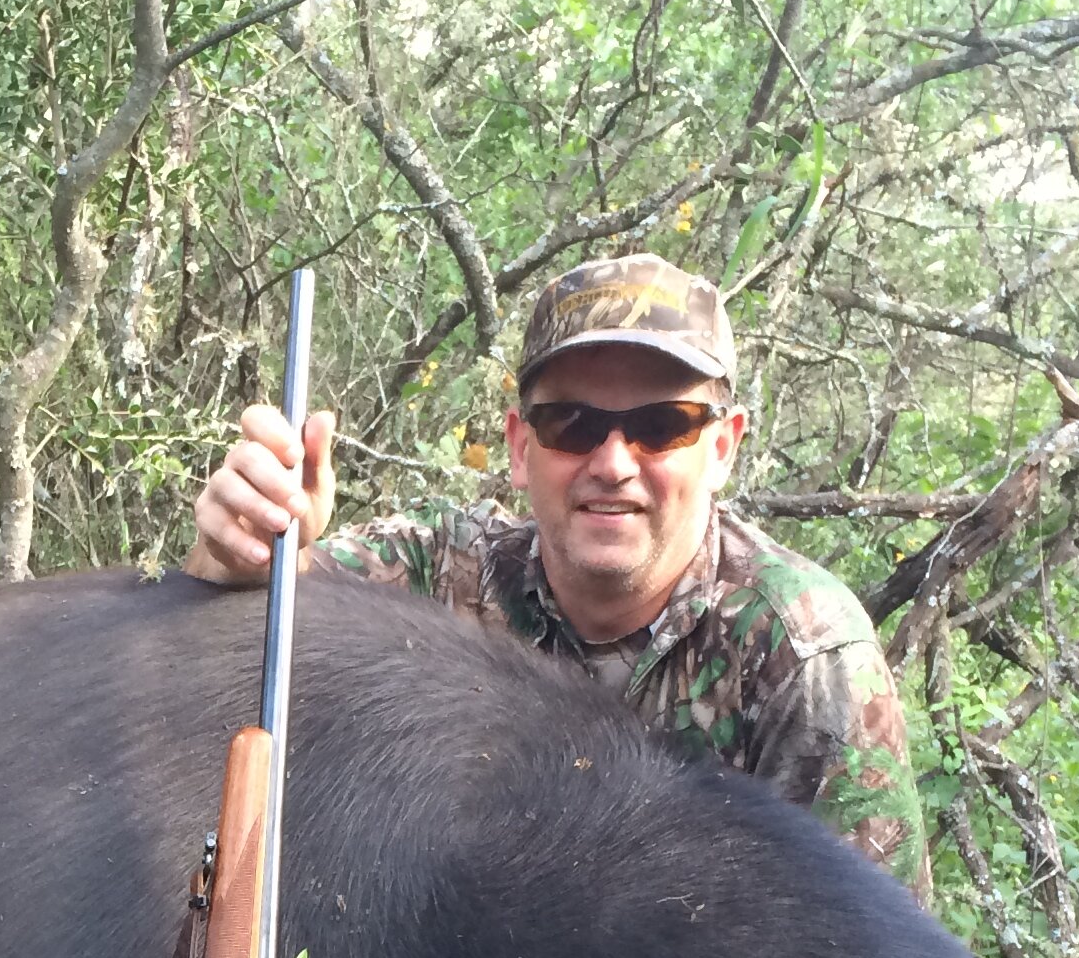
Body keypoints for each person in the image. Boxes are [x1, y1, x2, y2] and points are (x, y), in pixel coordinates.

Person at [183, 254, 933, 896]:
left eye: (661, 425)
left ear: (722, 447)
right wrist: (240, 554)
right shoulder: (435, 574)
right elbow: (255, 615)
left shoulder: (806, 656)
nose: (611, 463)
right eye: (572, 424)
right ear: (519, 447)